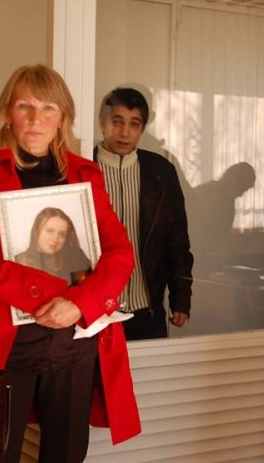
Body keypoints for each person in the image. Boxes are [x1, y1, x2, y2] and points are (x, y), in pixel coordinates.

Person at [0, 64, 141, 463]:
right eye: (25, 106)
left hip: (75, 341)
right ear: (8, 114)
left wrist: (79, 303)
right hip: (7, 343)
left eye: (48, 108)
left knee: (66, 454)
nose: (36, 119)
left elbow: (120, 254)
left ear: (63, 118)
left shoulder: (85, 175)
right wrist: (55, 294)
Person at [93, 86, 194, 340]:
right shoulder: (84, 166)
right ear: (102, 123)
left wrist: (181, 297)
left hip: (145, 309)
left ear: (142, 129)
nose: (125, 132)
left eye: (134, 124)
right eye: (117, 122)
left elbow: (177, 240)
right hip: (94, 308)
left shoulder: (160, 172)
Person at [187, 161, 256, 276]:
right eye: (242, 189)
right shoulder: (207, 195)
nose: (241, 195)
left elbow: (221, 235)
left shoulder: (226, 201)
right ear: (235, 182)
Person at [14, 206, 91, 283]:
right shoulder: (18, 262)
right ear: (36, 232)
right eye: (50, 231)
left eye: (61, 234)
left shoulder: (75, 260)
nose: (55, 239)